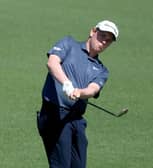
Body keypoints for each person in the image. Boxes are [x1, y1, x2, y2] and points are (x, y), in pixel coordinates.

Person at [37, 20, 119, 168]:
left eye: (108, 41)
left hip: (76, 119)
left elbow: (92, 89)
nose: (104, 42)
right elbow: (52, 63)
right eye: (102, 36)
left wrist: (80, 92)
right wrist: (67, 83)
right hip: (55, 114)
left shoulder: (102, 70)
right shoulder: (68, 44)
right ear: (93, 32)